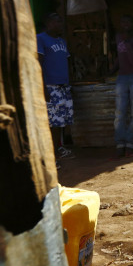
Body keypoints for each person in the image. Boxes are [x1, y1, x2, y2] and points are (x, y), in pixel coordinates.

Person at [37, 13, 74, 166]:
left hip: (63, 86)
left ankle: (57, 149)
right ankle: (50, 157)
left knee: (60, 122)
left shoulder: (61, 41)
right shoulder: (40, 38)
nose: (60, 24)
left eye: (60, 22)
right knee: (51, 123)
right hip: (50, 86)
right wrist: (43, 87)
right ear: (48, 23)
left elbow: (67, 62)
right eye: (57, 21)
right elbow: (38, 64)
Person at [111, 15, 133, 157]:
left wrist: (128, 45)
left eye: (128, 21)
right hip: (122, 77)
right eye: (122, 21)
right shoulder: (118, 37)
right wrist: (111, 71)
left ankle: (130, 143)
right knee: (120, 112)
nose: (125, 24)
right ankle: (120, 143)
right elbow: (119, 58)